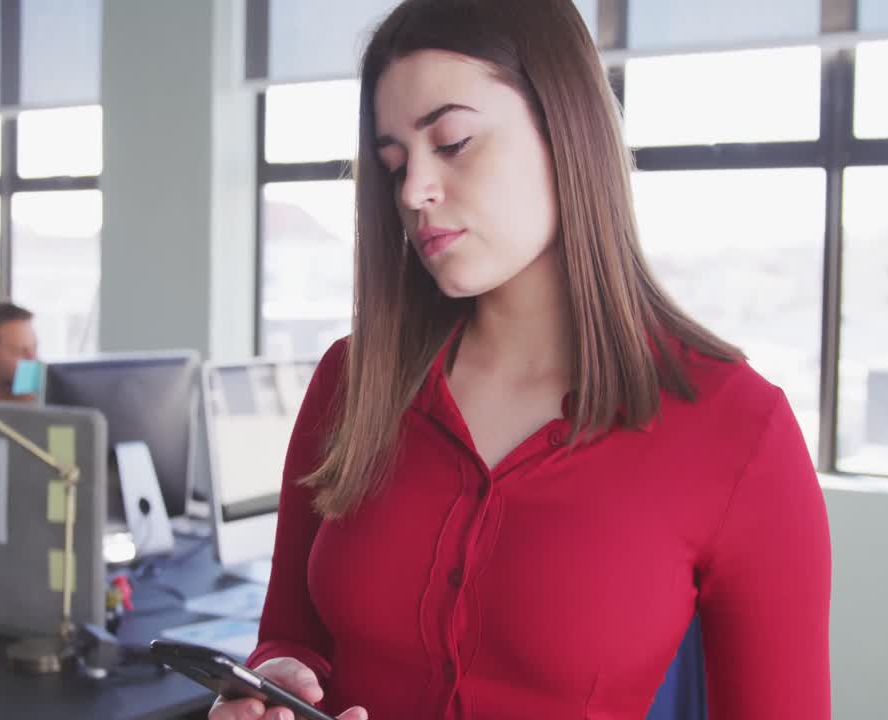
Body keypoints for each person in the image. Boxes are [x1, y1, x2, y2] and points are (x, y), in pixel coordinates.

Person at [211, 1, 831, 719]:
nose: (414, 191)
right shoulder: (351, 383)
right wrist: (273, 689)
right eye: (393, 164)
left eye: (453, 141)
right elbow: (292, 638)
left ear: (564, 127)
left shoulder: (738, 431)